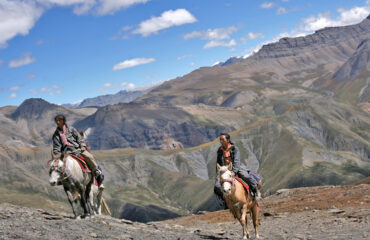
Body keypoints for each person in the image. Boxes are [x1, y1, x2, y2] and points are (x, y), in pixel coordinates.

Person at [52, 114, 104, 189]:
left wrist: (82, 146)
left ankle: (96, 172)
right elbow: (56, 147)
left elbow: (79, 138)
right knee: (56, 164)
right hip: (65, 152)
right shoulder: (56, 135)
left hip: (76, 148)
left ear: (63, 121)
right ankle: (59, 178)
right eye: (56, 120)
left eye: (59, 120)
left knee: (89, 156)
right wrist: (58, 154)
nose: (57, 122)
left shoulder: (71, 129)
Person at [214, 133, 260, 206]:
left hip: (237, 167)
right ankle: (225, 200)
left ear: (228, 140)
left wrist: (234, 172)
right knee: (217, 186)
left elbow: (237, 161)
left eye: (222, 139)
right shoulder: (220, 150)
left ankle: (255, 191)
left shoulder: (234, 149)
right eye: (220, 140)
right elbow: (218, 163)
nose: (221, 141)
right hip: (224, 169)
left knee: (246, 176)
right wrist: (218, 175)